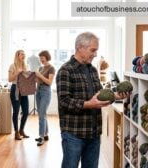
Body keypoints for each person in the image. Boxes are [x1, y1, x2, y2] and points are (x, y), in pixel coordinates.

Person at [56, 32, 130, 168]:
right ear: (80, 48)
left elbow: (100, 95)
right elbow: (64, 101)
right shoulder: (65, 70)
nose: (96, 54)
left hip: (94, 133)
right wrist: (89, 104)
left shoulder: (92, 70)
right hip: (74, 134)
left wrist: (115, 96)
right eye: (93, 50)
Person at [34, 50, 55, 146]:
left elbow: (49, 82)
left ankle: (41, 137)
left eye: (42, 57)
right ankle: (46, 134)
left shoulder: (51, 68)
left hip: (46, 92)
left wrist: (40, 75)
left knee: (41, 115)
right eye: (40, 58)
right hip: (38, 91)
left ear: (46, 57)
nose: (41, 59)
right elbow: (38, 80)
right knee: (42, 114)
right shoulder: (40, 68)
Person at [8, 50, 30, 140]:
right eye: (22, 54)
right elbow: (10, 79)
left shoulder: (27, 66)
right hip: (15, 89)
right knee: (16, 111)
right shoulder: (12, 66)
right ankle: (16, 132)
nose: (23, 55)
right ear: (17, 55)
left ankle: (21, 130)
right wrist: (17, 72)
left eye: (24, 54)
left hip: (24, 89)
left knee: (26, 112)